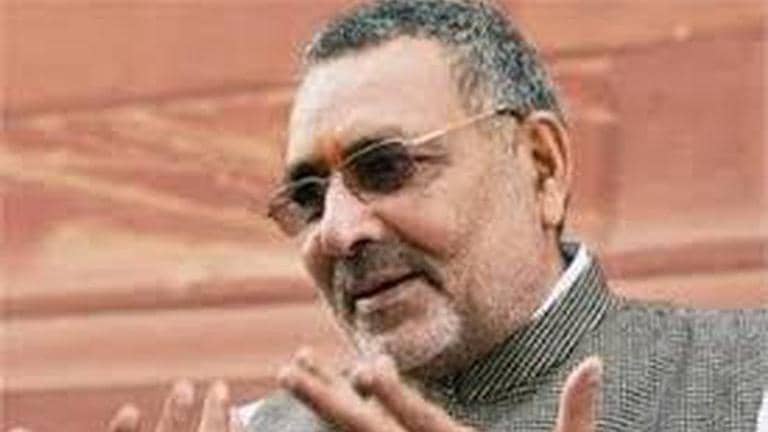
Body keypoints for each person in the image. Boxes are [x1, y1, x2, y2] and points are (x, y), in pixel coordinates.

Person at [73, 1, 768, 431]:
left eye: (386, 168)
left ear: (542, 167)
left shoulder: (746, 383)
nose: (337, 231)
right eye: (309, 198)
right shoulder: (251, 431)